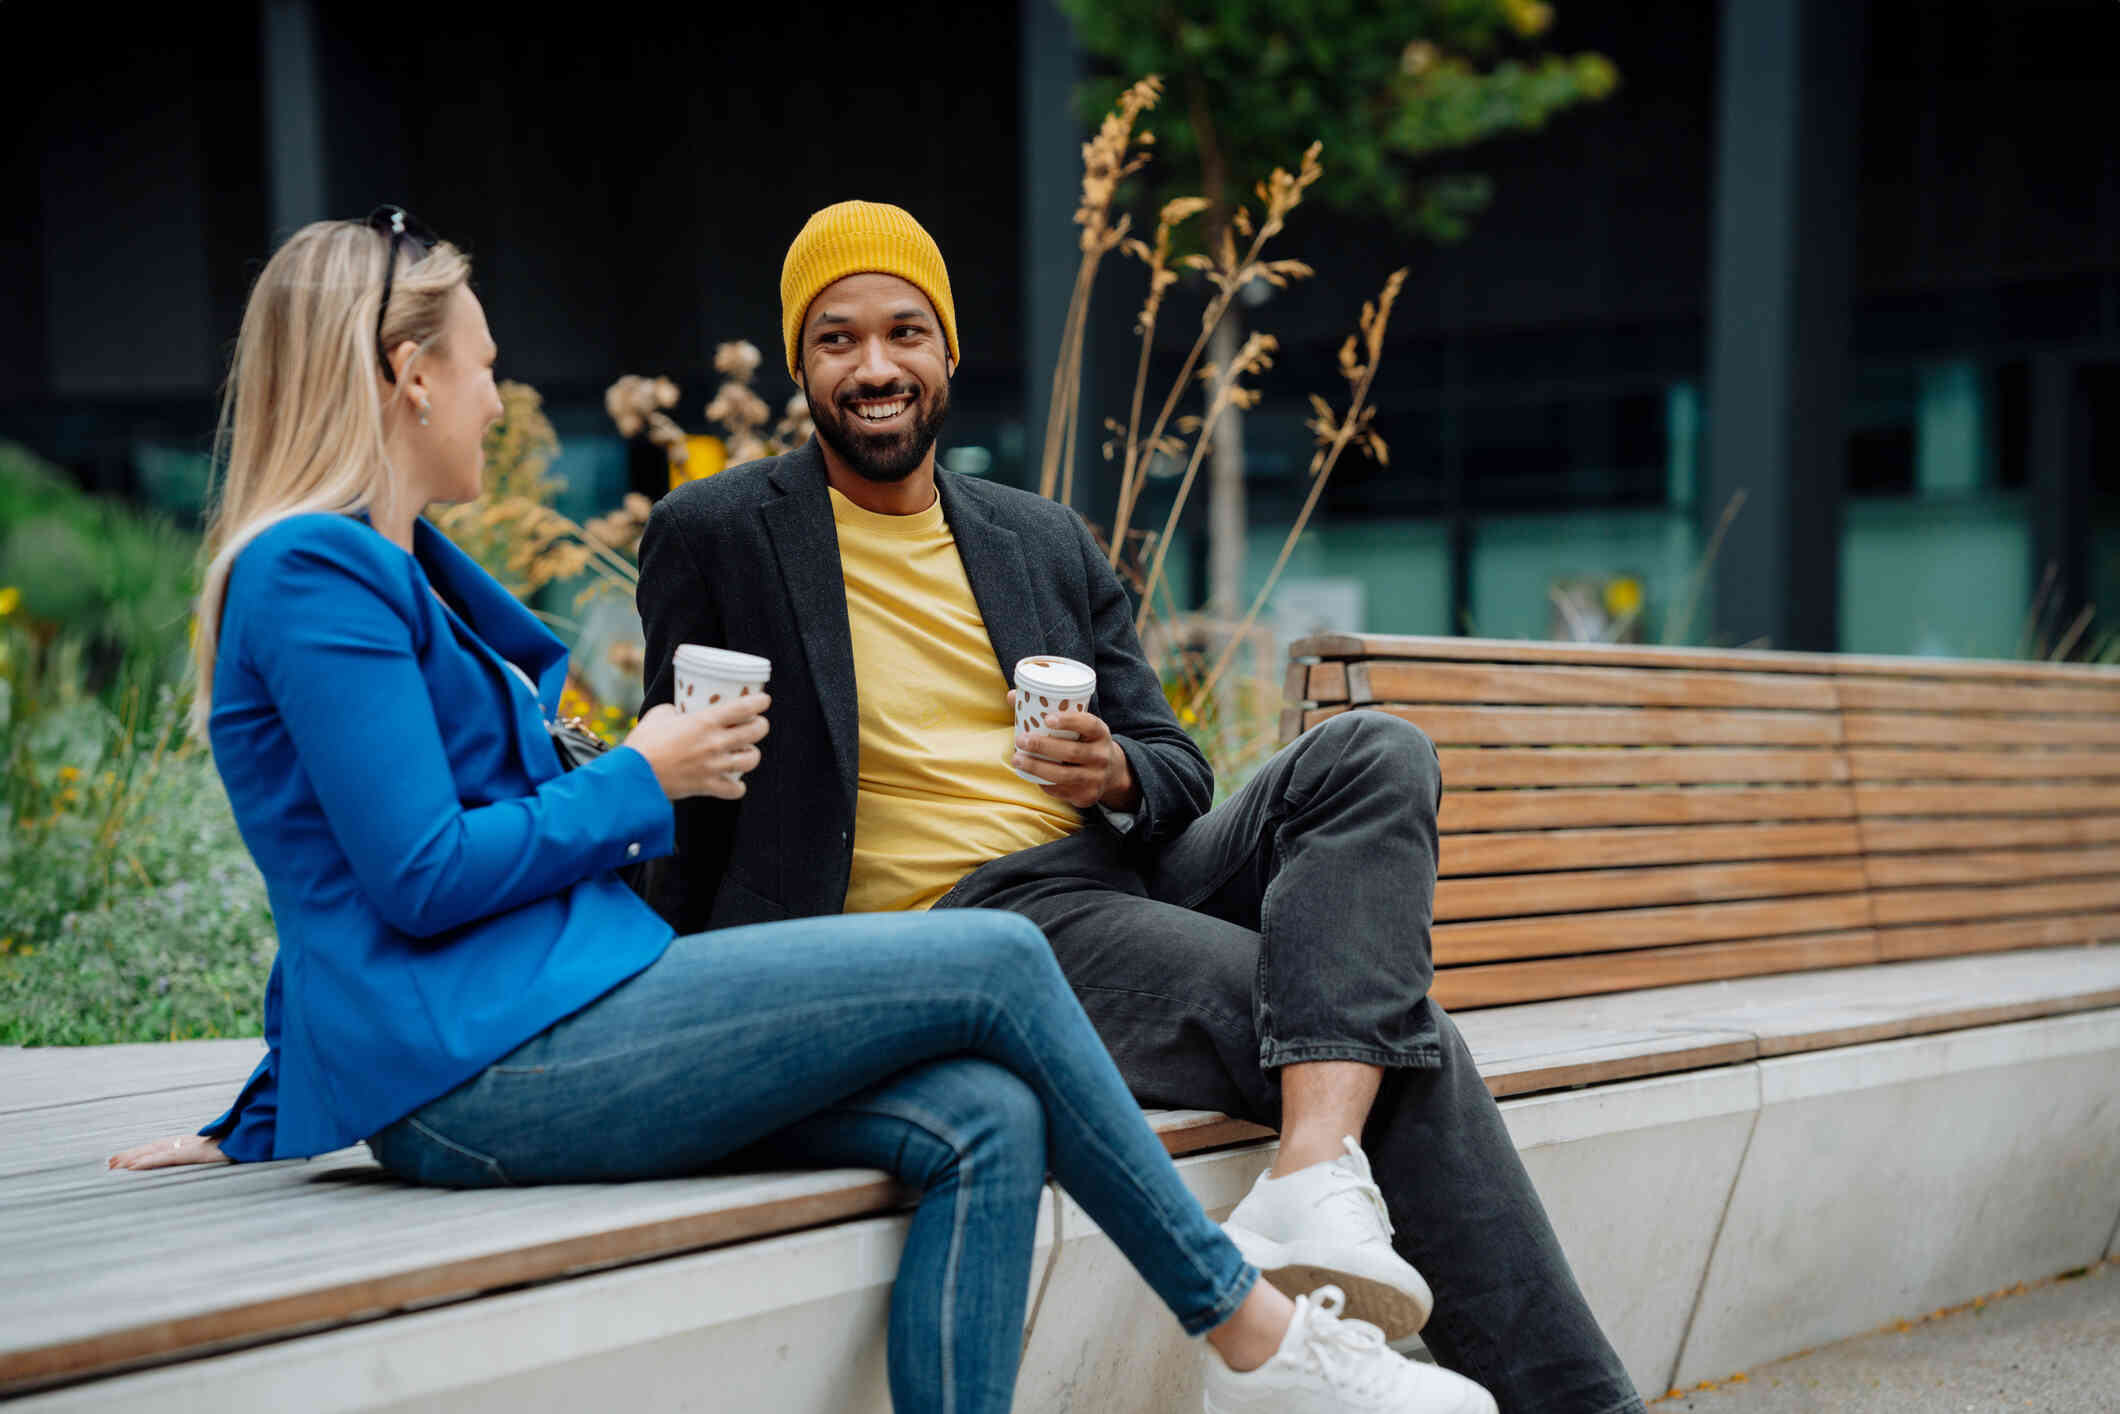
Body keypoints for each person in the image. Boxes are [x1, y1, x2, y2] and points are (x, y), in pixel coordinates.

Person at [108, 209, 1496, 1414]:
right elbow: (412, 874)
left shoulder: (388, 568)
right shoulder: (313, 574)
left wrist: (262, 1100)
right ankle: (1258, 1338)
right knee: (1000, 959)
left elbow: (342, 867)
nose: (495, 393)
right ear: (408, 376)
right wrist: (640, 776)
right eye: (480, 364)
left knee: (983, 1112)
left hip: (550, 1011)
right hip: (485, 1064)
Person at [635, 201, 1645, 1414]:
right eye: (837, 339)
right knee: (1398, 1033)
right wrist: (667, 1011)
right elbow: (679, 789)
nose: (874, 367)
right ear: (801, 364)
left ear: (948, 352)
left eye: (904, 332)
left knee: (1372, 750)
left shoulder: (1037, 540)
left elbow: (1178, 766)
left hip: (1104, 873)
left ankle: (1311, 1169)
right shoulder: (718, 534)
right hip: (962, 934)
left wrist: (1113, 770)